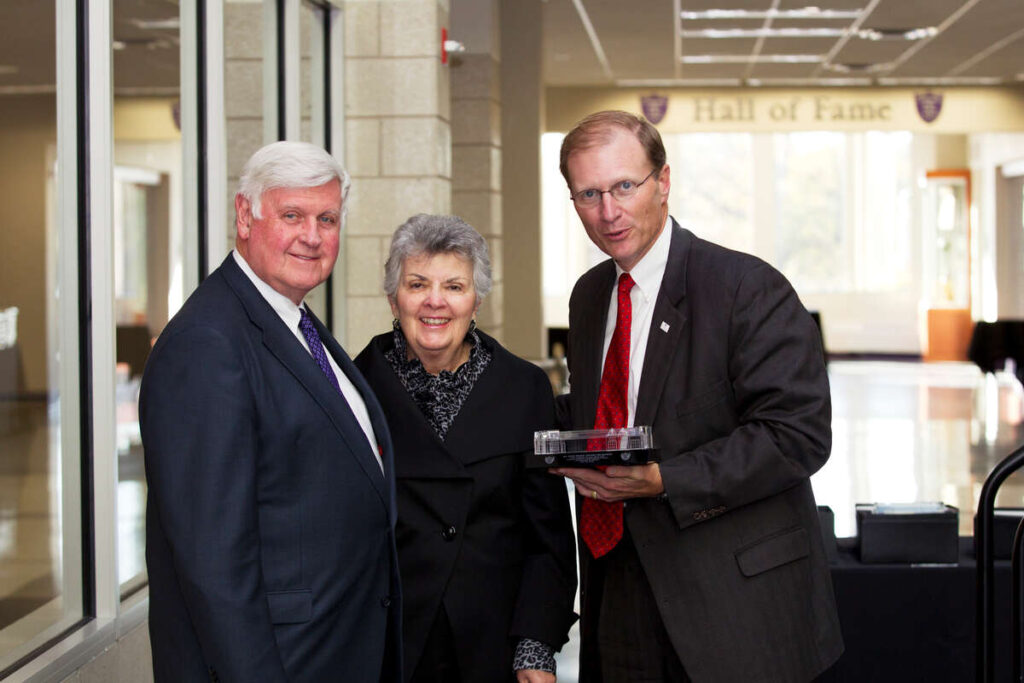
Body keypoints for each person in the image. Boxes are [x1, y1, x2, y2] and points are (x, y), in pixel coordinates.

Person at [551, 110, 843, 682]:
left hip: (733, 607)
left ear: (663, 182)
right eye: (588, 194)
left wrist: (666, 479)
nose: (608, 212)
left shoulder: (746, 288)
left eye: (623, 186)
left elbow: (797, 433)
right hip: (618, 590)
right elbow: (605, 412)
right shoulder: (589, 297)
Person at [140, 141, 401, 682]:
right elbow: (214, 566)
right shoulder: (207, 343)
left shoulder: (292, 321)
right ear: (244, 215)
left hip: (333, 650)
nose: (312, 236)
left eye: (327, 218)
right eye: (292, 215)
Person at [354, 214, 577, 683]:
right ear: (394, 299)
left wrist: (535, 650)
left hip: (491, 649)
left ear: (476, 301)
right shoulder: (354, 386)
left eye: (454, 286)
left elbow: (548, 540)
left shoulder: (525, 388)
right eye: (418, 284)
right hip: (388, 646)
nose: (435, 302)